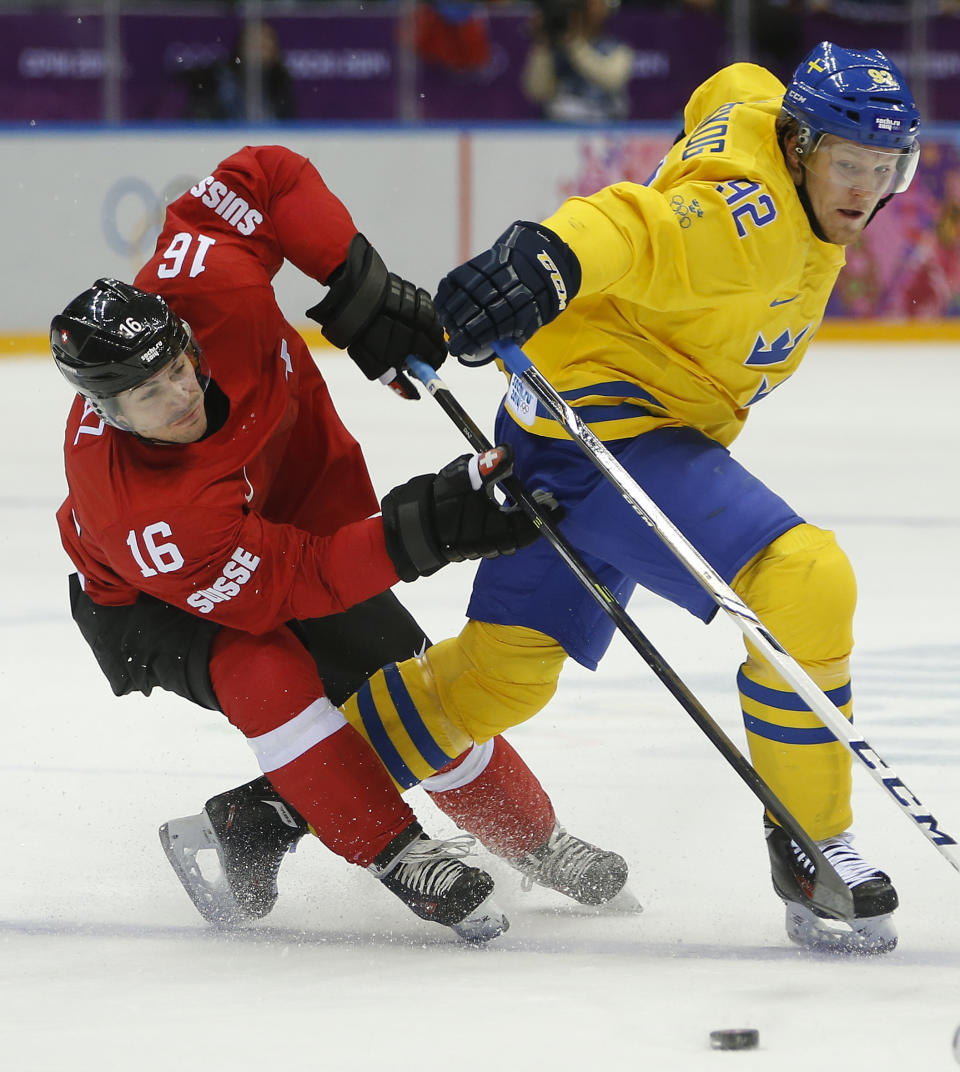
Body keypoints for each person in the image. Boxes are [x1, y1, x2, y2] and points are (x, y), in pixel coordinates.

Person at [339, 43, 921, 954]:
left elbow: (726, 83)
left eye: (885, 170)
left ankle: (275, 803)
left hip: (571, 413)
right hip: (603, 424)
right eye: (847, 164)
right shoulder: (754, 219)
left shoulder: (759, 107)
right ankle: (813, 848)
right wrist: (549, 261)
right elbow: (641, 226)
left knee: (502, 673)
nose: (864, 189)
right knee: (802, 578)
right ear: (800, 147)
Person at [52, 145, 629, 942]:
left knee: (400, 678)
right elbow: (294, 586)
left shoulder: (207, 281)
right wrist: (428, 528)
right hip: (152, 600)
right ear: (112, 413)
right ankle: (398, 853)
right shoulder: (146, 513)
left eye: (180, 366)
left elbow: (268, 174)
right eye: (150, 396)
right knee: (270, 673)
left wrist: (358, 285)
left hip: (286, 514)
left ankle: (529, 839)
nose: (183, 394)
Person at [521, 0, 635, 122]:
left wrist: (574, 43)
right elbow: (537, 92)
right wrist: (542, 43)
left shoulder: (616, 48)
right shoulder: (554, 50)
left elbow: (613, 80)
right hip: (560, 128)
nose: (589, 11)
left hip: (606, 125)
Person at [184, 20, 297, 122]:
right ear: (241, 46)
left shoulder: (280, 80)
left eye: (266, 44)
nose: (260, 49)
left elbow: (288, 121)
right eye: (255, 43)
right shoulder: (218, 76)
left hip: (267, 138)